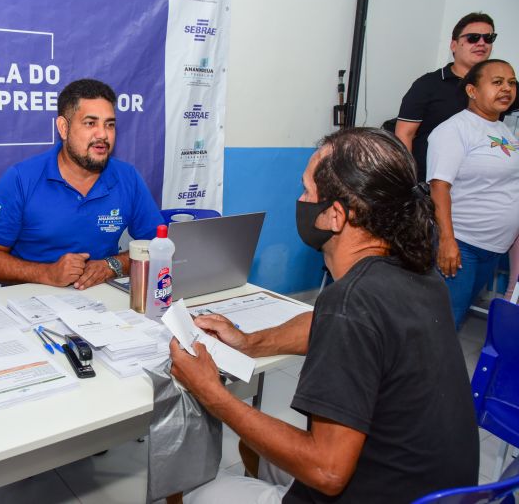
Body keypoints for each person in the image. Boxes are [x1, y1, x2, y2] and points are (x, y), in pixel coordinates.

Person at [170, 128, 479, 503]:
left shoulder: (350, 302)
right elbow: (329, 325)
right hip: (437, 490)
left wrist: (211, 393)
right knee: (253, 449)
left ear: (334, 215)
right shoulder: (416, 272)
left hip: (366, 487)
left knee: (195, 490)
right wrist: (251, 342)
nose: (300, 200)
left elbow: (327, 471)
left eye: (306, 192)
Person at [0, 79, 163, 290]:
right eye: (90, 123)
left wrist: (112, 265)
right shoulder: (21, 179)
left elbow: (159, 246)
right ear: (63, 128)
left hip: (102, 303)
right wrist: (47, 273)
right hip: (30, 305)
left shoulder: (128, 177)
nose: (103, 134)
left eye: (109, 124)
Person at [427, 59, 518, 329]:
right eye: (497, 82)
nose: (507, 88)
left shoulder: (503, 131)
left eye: (511, 82)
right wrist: (447, 241)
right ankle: (420, 371)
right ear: (472, 91)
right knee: (442, 323)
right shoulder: (454, 130)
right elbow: (439, 186)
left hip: (493, 247)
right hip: (462, 244)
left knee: (454, 315)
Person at [395, 12, 510, 180]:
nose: (481, 43)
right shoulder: (428, 84)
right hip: (430, 181)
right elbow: (404, 134)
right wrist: (409, 181)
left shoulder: (502, 86)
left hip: (479, 185)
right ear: (454, 45)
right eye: (473, 38)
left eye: (488, 38)